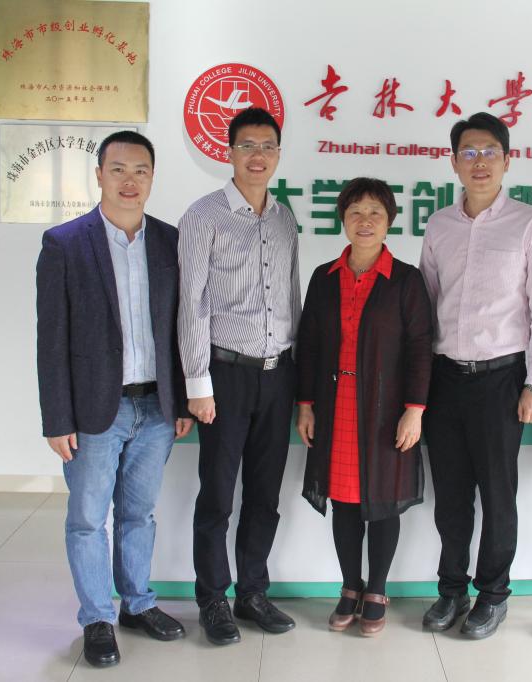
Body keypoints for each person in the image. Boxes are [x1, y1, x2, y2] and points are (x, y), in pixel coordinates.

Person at [36, 130, 193, 668]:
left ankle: (137, 603)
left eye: (140, 171)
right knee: (87, 519)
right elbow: (51, 339)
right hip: (92, 410)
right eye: (119, 170)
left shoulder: (170, 242)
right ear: (99, 174)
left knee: (138, 514)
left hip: (156, 407)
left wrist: (181, 401)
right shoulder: (64, 244)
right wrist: (56, 417)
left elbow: (180, 329)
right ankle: (97, 618)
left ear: (152, 177)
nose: (130, 181)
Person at [419, 112, 532, 639]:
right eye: (469, 153)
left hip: (502, 381)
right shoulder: (439, 225)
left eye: (489, 152)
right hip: (445, 379)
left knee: (498, 495)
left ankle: (493, 595)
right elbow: (427, 305)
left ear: (507, 160)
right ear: (454, 162)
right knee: (451, 495)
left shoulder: (530, 224)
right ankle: (451, 589)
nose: (479, 162)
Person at [177, 107, 301, 645]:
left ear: (278, 154)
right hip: (224, 376)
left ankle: (252, 592)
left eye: (267, 146)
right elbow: (191, 304)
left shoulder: (284, 217)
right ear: (228, 153)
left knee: (265, 494)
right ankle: (213, 599)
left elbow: (292, 297)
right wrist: (197, 384)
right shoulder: (203, 216)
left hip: (278, 375)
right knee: (218, 496)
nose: (258, 155)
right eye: (247, 145)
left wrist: (299, 381)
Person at [296, 178, 433, 636]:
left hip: (387, 409)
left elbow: (420, 347)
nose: (365, 220)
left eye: (375, 212)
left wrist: (415, 409)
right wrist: (305, 405)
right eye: (355, 211)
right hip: (335, 404)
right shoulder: (324, 277)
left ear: (390, 220)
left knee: (383, 500)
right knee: (344, 501)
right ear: (343, 219)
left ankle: (376, 589)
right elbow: (308, 345)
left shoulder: (406, 280)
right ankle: (350, 586)